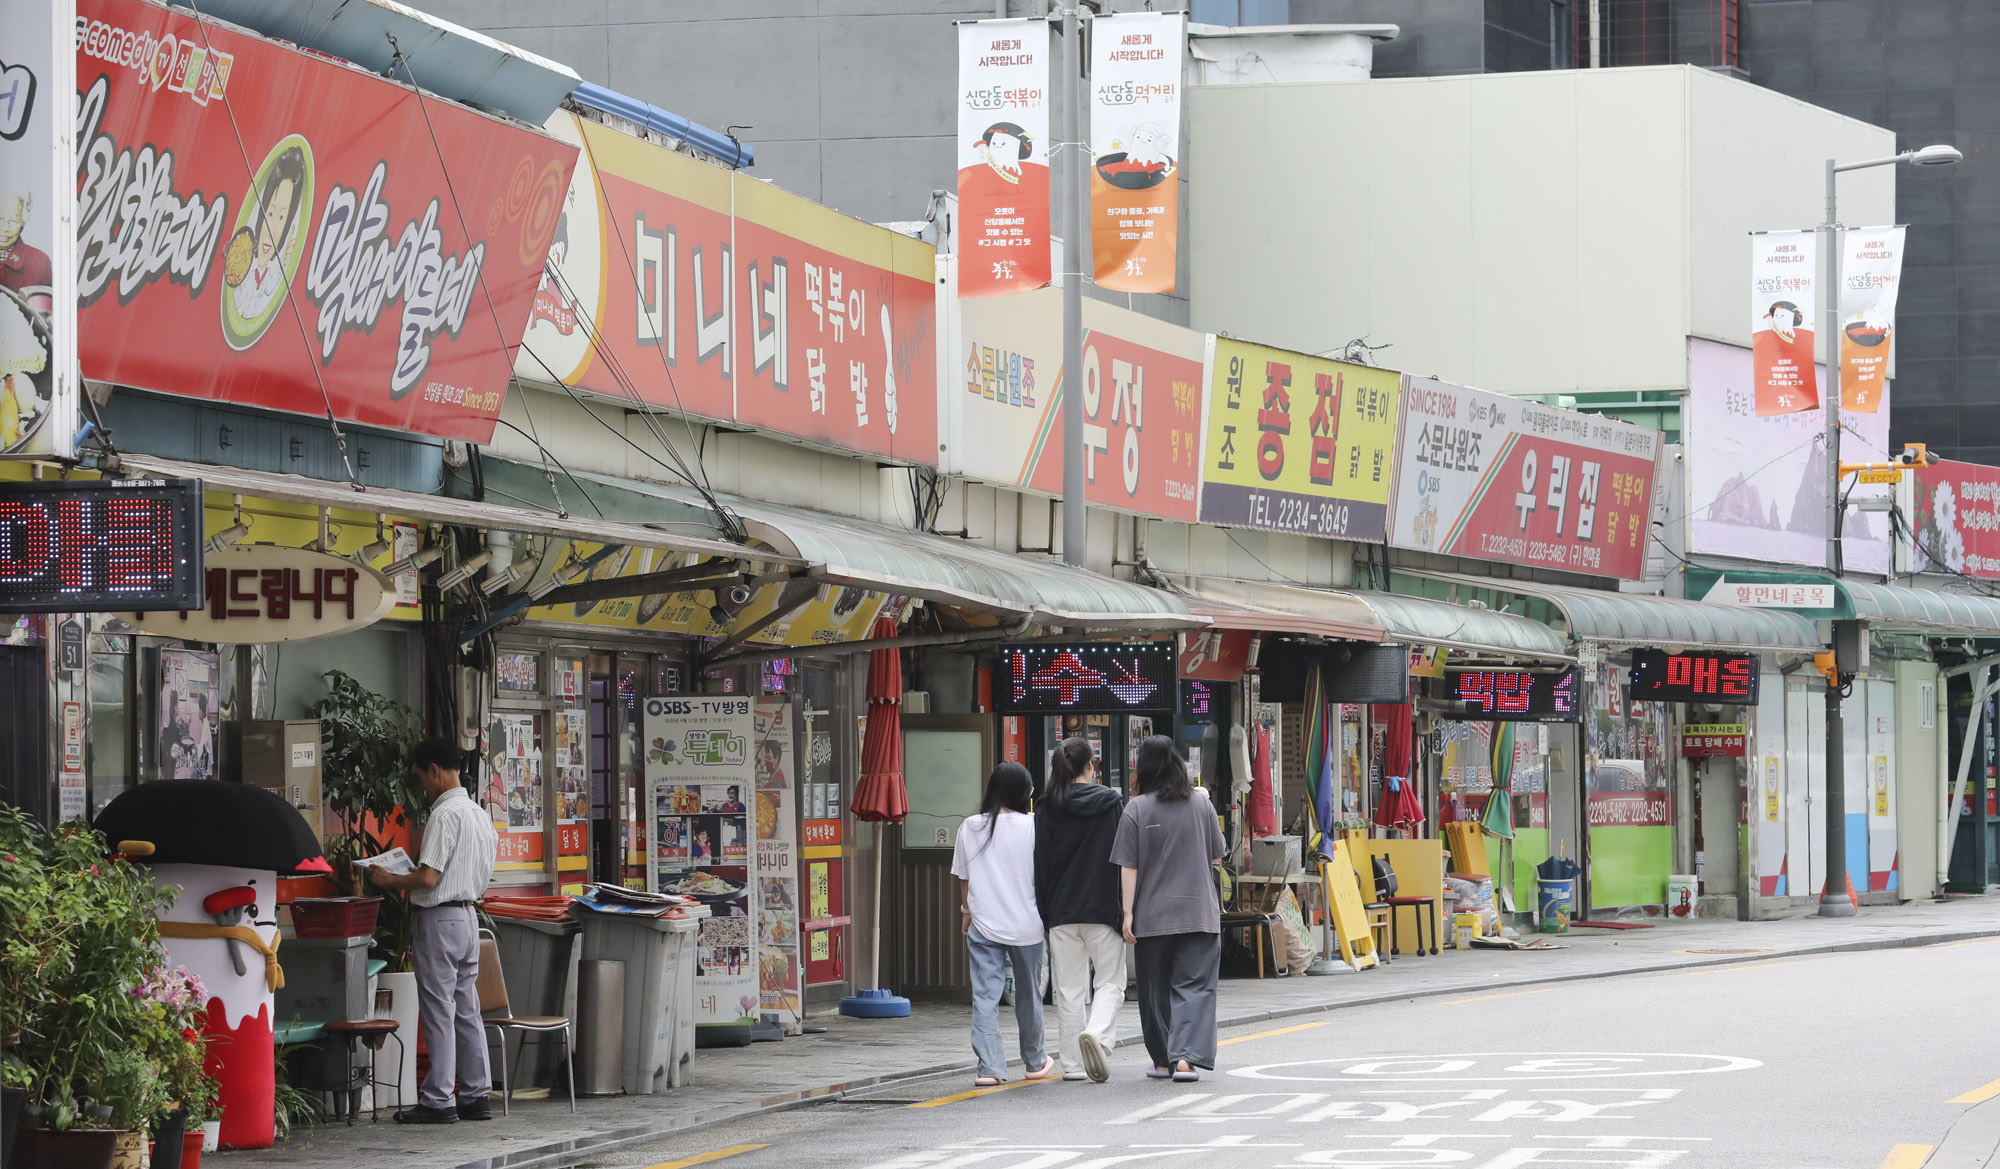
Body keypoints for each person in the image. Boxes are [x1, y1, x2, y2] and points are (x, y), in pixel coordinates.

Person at [367, 738, 499, 1123]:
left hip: (440, 919)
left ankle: (439, 1098)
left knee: (439, 1009)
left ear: (434, 770)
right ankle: (477, 1094)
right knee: (466, 1008)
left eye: (422, 776)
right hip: (469, 918)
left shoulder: (444, 815)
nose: (422, 785)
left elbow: (427, 877)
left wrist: (388, 880)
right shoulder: (479, 815)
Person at [1111, 735, 1226, 1083]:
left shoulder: (1136, 808)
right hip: (1199, 914)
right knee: (1194, 988)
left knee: (1154, 989)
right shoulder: (1202, 805)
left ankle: (1163, 1061)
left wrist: (1127, 914)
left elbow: (1127, 867)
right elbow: (1217, 855)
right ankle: (1186, 1060)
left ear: (1143, 768)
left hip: (1153, 916)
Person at [951, 761, 1055, 1087]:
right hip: (1027, 925)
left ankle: (990, 1068)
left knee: (984, 996)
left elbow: (963, 878)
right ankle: (1035, 1060)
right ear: (1025, 793)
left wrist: (966, 912)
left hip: (984, 922)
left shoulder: (970, 827)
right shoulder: (1035, 826)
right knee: (1029, 993)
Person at [1034, 737, 1125, 1083]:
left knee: (1069, 989)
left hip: (1060, 911)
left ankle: (1072, 1064)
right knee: (1110, 983)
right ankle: (1098, 1036)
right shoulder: (1111, 802)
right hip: (1102, 906)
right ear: (1092, 766)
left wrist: (1046, 913)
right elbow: (1121, 859)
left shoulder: (1046, 806)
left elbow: (1040, 865)